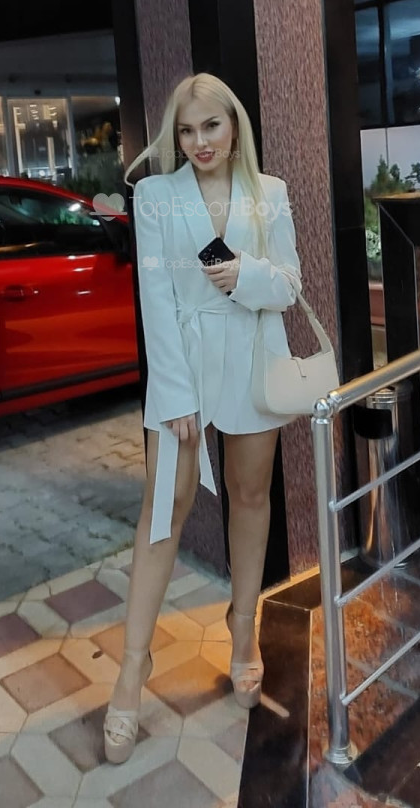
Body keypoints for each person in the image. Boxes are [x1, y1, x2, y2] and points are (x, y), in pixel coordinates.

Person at [103, 73, 302, 764]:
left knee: (250, 496)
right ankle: (133, 667)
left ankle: (243, 630)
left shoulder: (269, 192)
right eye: (186, 131)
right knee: (165, 508)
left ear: (233, 123)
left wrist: (244, 275)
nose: (199, 141)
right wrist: (177, 393)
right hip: (182, 366)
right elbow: (155, 298)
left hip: (252, 356)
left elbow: (289, 285)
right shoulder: (156, 196)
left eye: (210, 126)